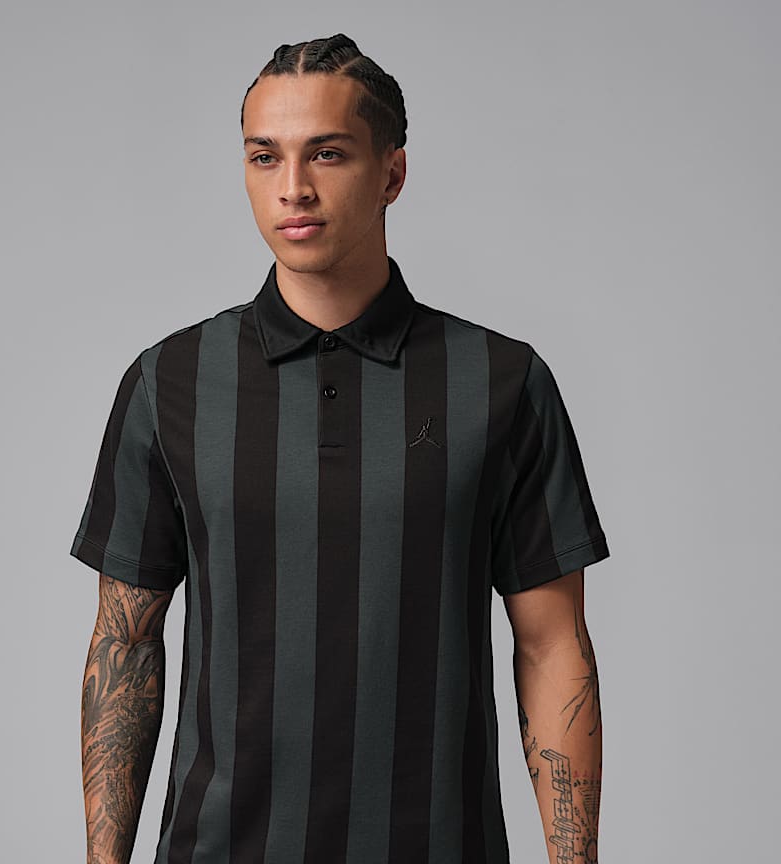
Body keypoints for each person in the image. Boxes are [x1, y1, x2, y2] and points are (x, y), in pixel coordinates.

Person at [70, 33, 611, 864]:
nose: (293, 187)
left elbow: (553, 646)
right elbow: (125, 643)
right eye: (264, 157)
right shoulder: (169, 381)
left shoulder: (501, 381)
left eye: (326, 153)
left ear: (392, 173)